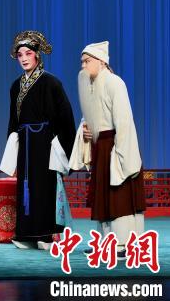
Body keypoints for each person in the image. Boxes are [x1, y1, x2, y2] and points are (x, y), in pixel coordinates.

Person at [71, 41, 145, 259]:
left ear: (101, 61)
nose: (83, 66)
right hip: (100, 147)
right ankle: (105, 242)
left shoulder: (115, 83)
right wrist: (86, 132)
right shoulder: (90, 86)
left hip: (115, 146)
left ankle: (123, 244)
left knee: (118, 195)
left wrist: (121, 155)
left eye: (87, 61)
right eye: (82, 62)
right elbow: (88, 119)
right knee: (102, 196)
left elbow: (124, 121)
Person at [5, 31, 76, 250]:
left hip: (45, 143)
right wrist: (12, 149)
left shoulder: (51, 83)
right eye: (20, 55)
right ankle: (26, 233)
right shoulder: (16, 86)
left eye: (28, 53)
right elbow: (13, 120)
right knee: (25, 186)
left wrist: (62, 145)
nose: (24, 58)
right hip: (25, 143)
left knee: (44, 187)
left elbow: (66, 117)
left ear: (37, 55)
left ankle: (46, 234)